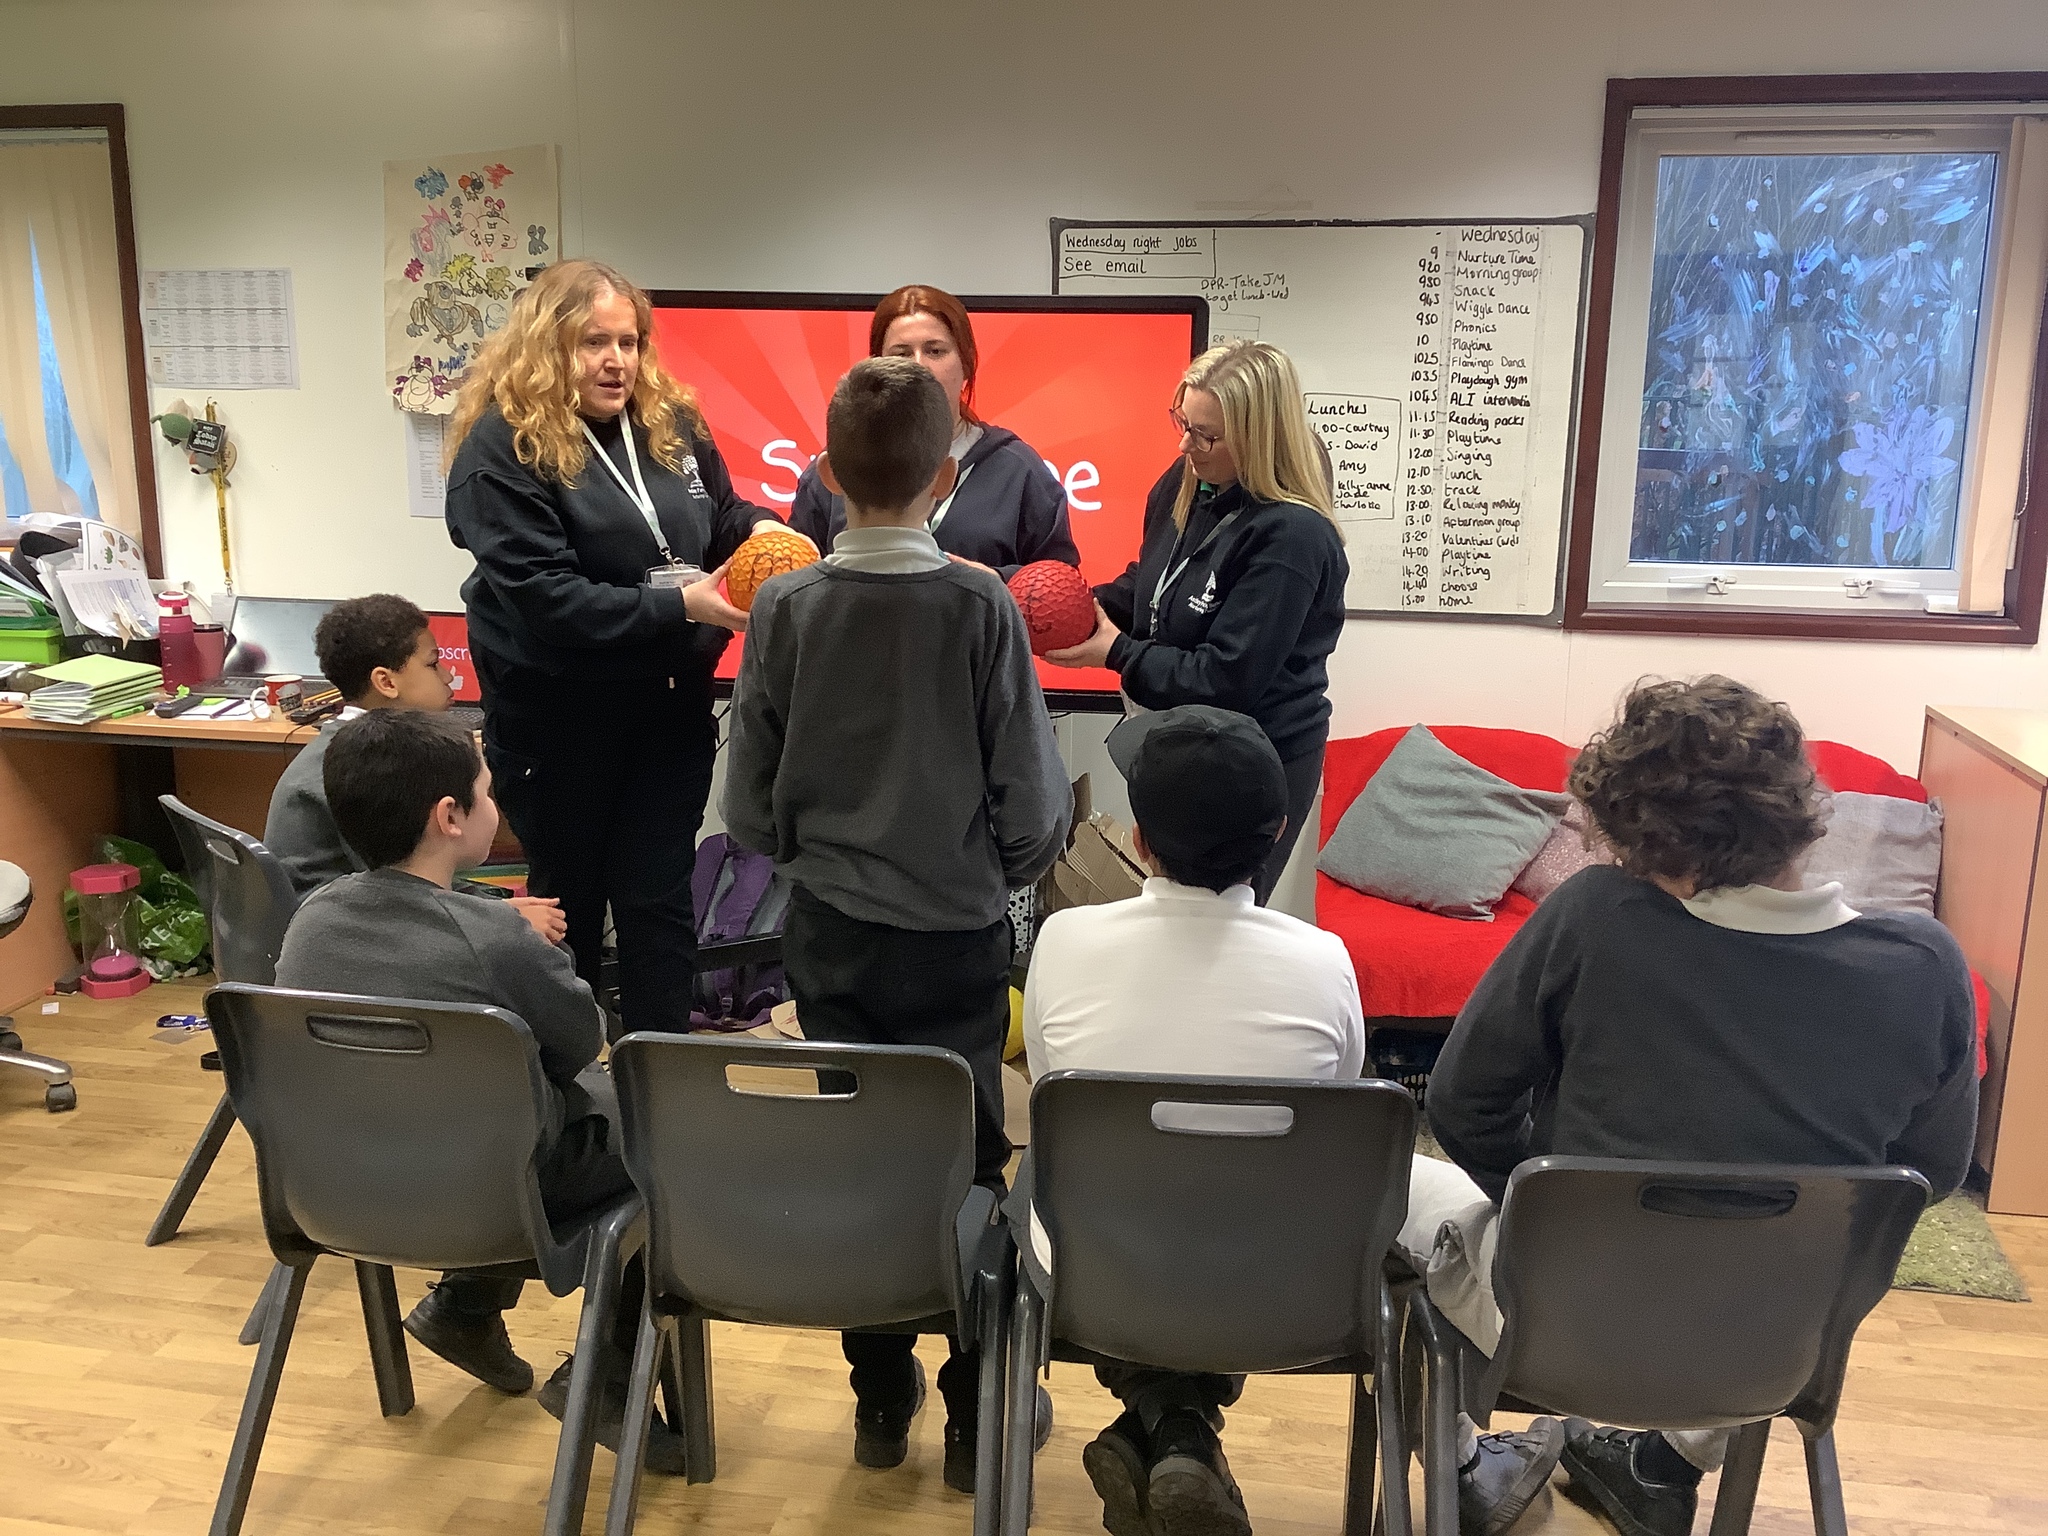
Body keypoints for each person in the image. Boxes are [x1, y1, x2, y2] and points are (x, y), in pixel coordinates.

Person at [1405, 676, 1980, 1536]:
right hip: (1779, 1349)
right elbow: (1927, 1174)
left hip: (1556, 1327)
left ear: (1656, 850)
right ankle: (1662, 1465)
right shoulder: (1927, 963)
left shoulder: (1597, 916)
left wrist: (1548, 1203)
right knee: (1771, 1258)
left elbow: (1461, 1103)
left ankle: (1465, 1469)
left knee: (1394, 1188)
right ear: (1803, 809)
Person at [723, 356, 1070, 1492]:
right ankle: (975, 1410)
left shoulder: (786, 606)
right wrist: (988, 874)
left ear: (825, 474)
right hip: (957, 935)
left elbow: (746, 802)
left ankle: (879, 1398)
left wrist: (813, 857)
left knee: (860, 1153)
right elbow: (1032, 802)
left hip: (828, 934)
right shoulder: (978, 604)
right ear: (945, 478)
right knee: (966, 1158)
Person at [274, 710, 689, 1470]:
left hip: (335, 1189)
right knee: (664, 1133)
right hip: (491, 1197)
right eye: (488, 790)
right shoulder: (498, 938)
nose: (496, 803)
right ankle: (608, 1375)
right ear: (451, 816)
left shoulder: (311, 920)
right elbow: (580, 1040)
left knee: (475, 1119)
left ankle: (465, 1306)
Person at [1020, 703, 1366, 1536]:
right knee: (1240, 1200)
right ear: (1277, 833)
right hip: (1282, 1281)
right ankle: (1182, 1428)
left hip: (1096, 1271)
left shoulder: (1063, 941)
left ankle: (1166, 1415)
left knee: (1086, 1181)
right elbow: (1338, 1111)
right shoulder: (1324, 961)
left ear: (1140, 840)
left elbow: (1047, 1089)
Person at [443, 258, 792, 1033]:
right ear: (546, 346)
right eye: (592, 342)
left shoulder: (671, 422)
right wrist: (683, 603)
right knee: (567, 906)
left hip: (666, 716)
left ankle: (656, 1071)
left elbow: (721, 514)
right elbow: (548, 601)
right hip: (557, 724)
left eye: (629, 342)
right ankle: (565, 1075)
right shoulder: (500, 450)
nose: (617, 361)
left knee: (658, 902)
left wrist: (762, 528)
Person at [1044, 341, 1347, 906]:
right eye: (1182, 423)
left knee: (1220, 923)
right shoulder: (1186, 481)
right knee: (1165, 911)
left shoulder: (1293, 537)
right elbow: (1153, 584)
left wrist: (1116, 653)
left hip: (1255, 762)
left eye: (1206, 435)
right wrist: (1080, 611)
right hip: (1174, 740)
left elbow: (1226, 678)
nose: (1186, 445)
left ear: (1258, 439)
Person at [261, 593, 564, 944]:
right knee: (538, 946)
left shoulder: (368, 749)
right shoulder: (367, 767)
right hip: (342, 939)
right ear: (386, 682)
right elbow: (402, 893)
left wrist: (495, 908)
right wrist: (498, 917)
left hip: (349, 919)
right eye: (433, 664)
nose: (448, 676)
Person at [787, 285, 1079, 578]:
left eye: (935, 351)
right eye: (901, 354)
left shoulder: (1019, 471)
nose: (919, 366)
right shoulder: (843, 463)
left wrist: (994, 583)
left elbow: (1061, 586)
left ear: (966, 363)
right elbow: (796, 575)